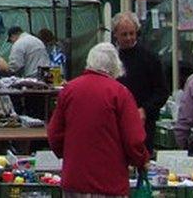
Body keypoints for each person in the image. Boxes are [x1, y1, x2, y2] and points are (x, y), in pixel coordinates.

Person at [48, 42, 149, 197]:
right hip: (110, 182)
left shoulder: (69, 90)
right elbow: (133, 139)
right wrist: (141, 160)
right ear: (116, 66)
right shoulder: (120, 93)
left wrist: (71, 154)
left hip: (75, 181)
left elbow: (54, 135)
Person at [113, 12, 169, 151]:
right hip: (115, 122)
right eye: (124, 34)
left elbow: (162, 91)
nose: (129, 38)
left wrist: (145, 109)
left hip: (144, 123)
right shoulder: (110, 57)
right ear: (115, 34)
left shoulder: (150, 58)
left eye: (132, 33)